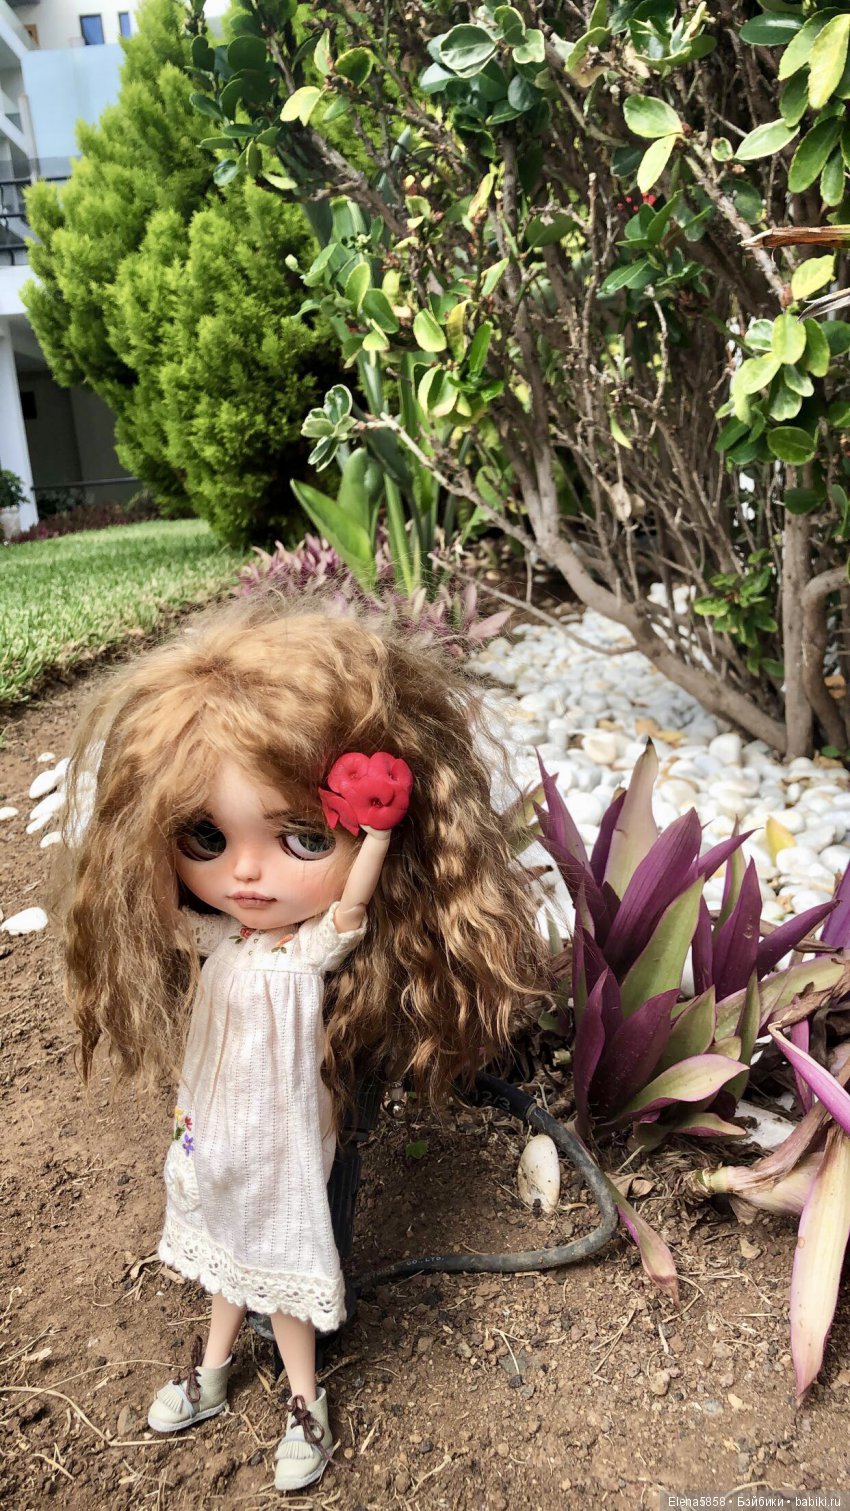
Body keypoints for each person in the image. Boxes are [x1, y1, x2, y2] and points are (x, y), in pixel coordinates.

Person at [56, 588, 547, 1492]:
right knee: (222, 1256)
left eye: (302, 837)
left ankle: (303, 1400)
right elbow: (161, 905)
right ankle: (211, 1371)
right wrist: (140, 822)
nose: (245, 871)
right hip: (214, 1127)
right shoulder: (221, 939)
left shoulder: (309, 951)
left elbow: (352, 906)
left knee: (281, 1264)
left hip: (283, 1140)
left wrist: (379, 829)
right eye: (206, 835)